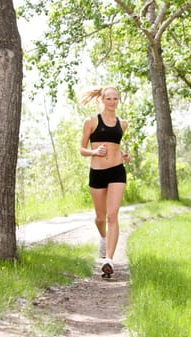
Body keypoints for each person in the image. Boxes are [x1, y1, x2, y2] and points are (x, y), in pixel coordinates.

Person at [80, 85, 130, 278]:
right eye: (108, 98)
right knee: (101, 218)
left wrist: (123, 154)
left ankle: (109, 260)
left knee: (112, 215)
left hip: (117, 171)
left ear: (118, 100)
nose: (112, 102)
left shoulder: (122, 123)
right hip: (98, 173)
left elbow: (116, 145)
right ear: (102, 100)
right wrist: (94, 152)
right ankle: (103, 237)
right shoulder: (92, 121)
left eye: (115, 98)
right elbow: (82, 149)